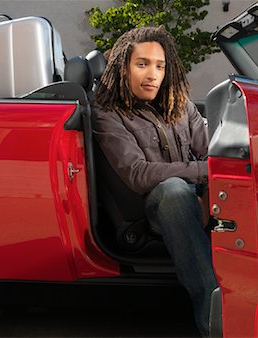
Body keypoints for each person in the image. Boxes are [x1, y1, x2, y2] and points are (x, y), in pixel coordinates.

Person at [92, 26, 218, 337]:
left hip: (197, 193)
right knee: (174, 191)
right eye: (142, 64)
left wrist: (208, 184)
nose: (153, 74)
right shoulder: (107, 113)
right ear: (123, 68)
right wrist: (201, 175)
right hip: (152, 209)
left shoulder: (180, 105)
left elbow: (210, 153)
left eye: (160, 66)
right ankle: (216, 322)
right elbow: (138, 174)